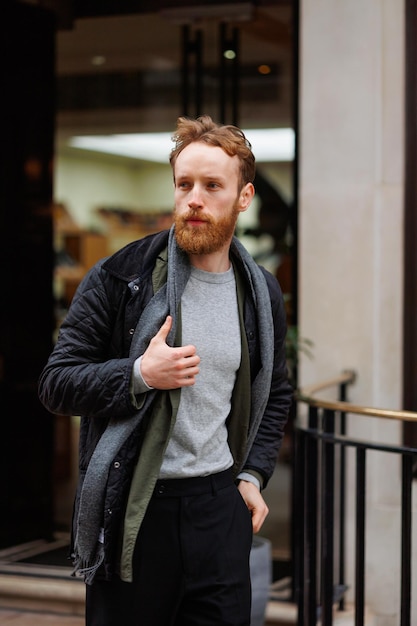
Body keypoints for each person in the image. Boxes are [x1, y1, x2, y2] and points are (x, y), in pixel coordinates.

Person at [38, 115, 293, 626]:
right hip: (135, 504)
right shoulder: (121, 276)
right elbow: (56, 383)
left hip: (218, 507)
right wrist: (139, 374)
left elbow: (276, 392)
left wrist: (251, 474)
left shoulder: (259, 292)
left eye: (212, 186)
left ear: (244, 197)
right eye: (184, 184)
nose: (194, 198)